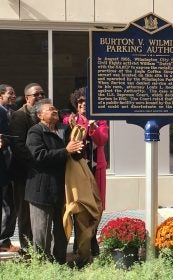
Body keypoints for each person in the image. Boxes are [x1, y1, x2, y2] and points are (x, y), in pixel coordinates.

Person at [25, 98, 83, 264]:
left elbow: (75, 156)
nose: (55, 110)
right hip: (41, 189)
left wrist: (78, 141)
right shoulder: (35, 132)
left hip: (63, 188)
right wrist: (65, 150)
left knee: (62, 229)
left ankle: (60, 262)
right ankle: (42, 265)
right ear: (40, 115)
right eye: (50, 109)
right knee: (41, 231)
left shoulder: (64, 129)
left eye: (55, 108)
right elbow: (38, 156)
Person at [63, 87, 108, 256]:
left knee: (98, 204)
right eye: (80, 102)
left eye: (86, 102)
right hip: (78, 170)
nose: (83, 105)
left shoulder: (101, 120)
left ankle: (92, 238)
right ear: (76, 104)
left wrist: (93, 127)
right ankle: (80, 240)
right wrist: (76, 125)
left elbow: (102, 140)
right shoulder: (70, 119)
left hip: (97, 168)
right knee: (80, 205)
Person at [9, 83, 45, 250]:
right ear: (27, 97)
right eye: (36, 94)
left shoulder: (43, 115)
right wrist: (36, 163)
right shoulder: (19, 116)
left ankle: (39, 247)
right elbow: (18, 145)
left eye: (42, 94)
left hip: (41, 173)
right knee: (25, 214)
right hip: (24, 174)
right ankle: (26, 249)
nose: (40, 97)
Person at [0, 84, 19, 253]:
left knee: (10, 205)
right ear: (0, 96)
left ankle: (4, 240)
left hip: (10, 166)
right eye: (10, 93)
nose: (14, 96)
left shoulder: (12, 113)